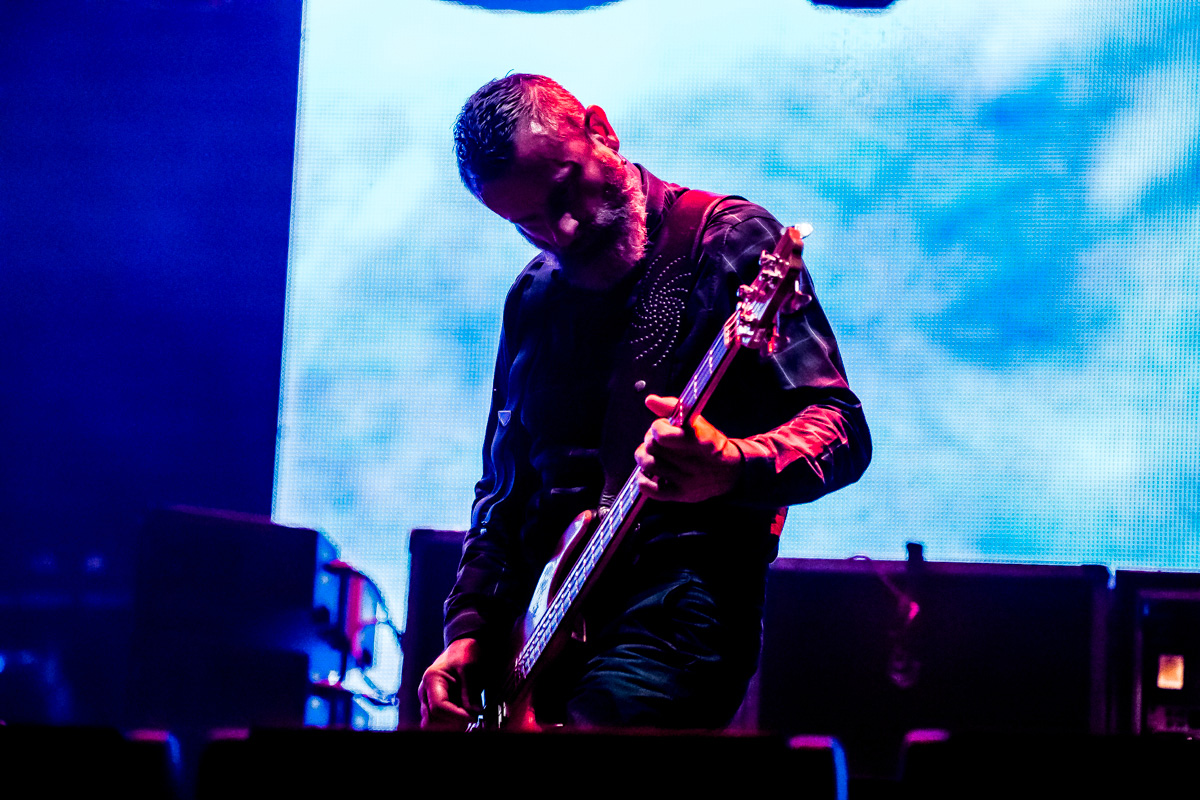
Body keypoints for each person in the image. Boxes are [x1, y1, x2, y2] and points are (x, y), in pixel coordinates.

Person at [419, 74, 871, 730]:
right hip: (544, 635)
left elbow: (840, 427)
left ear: (601, 131)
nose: (562, 229)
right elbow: (504, 491)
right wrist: (470, 629)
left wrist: (734, 464)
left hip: (677, 608)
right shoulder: (533, 299)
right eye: (528, 224)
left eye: (565, 191)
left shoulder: (725, 241)